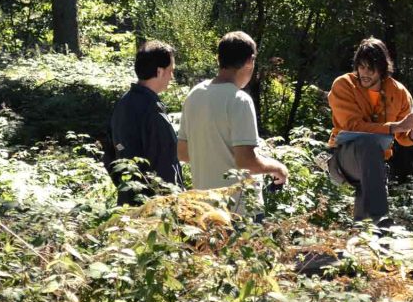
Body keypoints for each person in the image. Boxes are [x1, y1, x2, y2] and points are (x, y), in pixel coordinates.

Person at [177, 32, 288, 211]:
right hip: (238, 209)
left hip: (204, 208)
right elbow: (246, 162)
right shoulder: (239, 100)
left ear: (219, 58)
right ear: (250, 61)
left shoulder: (194, 95)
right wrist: (278, 168)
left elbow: (182, 153)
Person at [327, 37, 413, 223]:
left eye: (371, 68)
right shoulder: (343, 84)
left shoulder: (398, 92)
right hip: (344, 158)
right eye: (361, 67)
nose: (365, 73)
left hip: (375, 163)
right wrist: (396, 126)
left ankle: (368, 231)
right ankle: (380, 218)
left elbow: (403, 136)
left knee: (365, 225)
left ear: (382, 69)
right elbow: (352, 125)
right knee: (368, 143)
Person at [108, 40, 183, 205]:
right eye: (171, 70)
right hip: (155, 206)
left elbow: (111, 156)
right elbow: (164, 162)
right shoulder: (152, 110)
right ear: (159, 71)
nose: (172, 77)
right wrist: (174, 201)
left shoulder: (124, 102)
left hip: (128, 200)